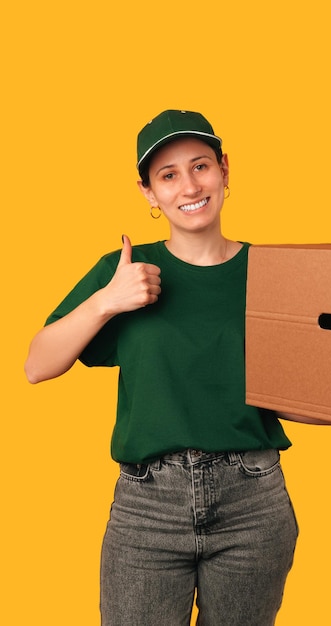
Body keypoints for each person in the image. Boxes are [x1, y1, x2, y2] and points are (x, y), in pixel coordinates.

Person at [25, 109, 299, 626]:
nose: (188, 185)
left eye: (200, 166)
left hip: (253, 503)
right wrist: (108, 301)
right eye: (168, 175)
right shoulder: (122, 271)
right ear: (149, 192)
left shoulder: (272, 274)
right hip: (148, 506)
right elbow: (37, 365)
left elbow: (304, 393)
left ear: (224, 170)